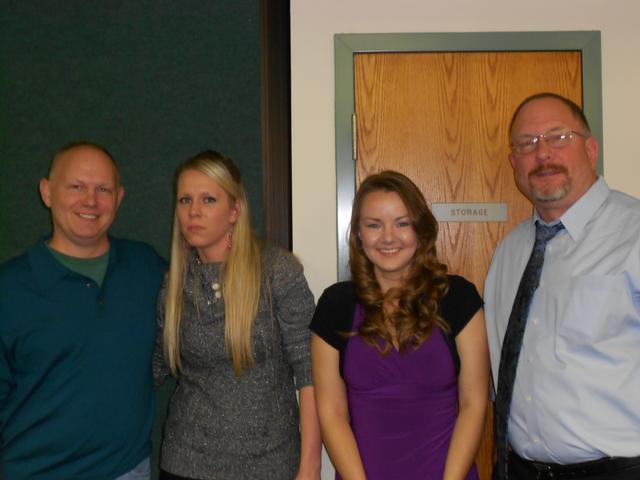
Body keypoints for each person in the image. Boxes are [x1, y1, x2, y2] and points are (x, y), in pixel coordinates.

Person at [485, 92, 640, 479]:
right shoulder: (508, 253)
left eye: (558, 137)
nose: (543, 155)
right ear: (513, 163)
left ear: (591, 149)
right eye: (527, 144)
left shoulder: (634, 234)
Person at [0, 142, 166, 480]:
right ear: (47, 192)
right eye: (76, 186)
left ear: (118, 198)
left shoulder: (147, 268)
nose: (90, 201)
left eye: (102, 189)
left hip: (127, 471)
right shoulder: (8, 289)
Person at [153, 150, 321, 480]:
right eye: (185, 200)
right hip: (184, 461)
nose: (194, 212)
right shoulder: (174, 282)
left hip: (269, 464)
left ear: (235, 210)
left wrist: (311, 464)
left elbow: (310, 371)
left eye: (208, 200)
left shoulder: (277, 271)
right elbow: (155, 365)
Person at [311, 170, 489, 480]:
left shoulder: (458, 298)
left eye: (402, 223)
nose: (388, 237)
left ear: (421, 231)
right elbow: (332, 413)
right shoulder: (334, 305)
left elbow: (474, 404)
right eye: (374, 225)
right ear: (358, 236)